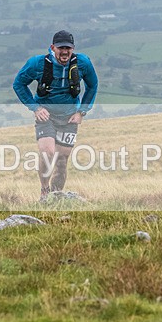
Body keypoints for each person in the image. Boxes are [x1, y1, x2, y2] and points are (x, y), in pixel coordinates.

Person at [13, 30, 98, 201]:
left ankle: (56, 197)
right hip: (46, 116)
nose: (65, 52)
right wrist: (35, 108)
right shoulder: (37, 63)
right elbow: (18, 84)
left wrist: (81, 112)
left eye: (68, 48)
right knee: (48, 153)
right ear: (53, 48)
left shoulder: (83, 63)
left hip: (69, 117)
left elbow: (93, 85)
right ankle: (44, 192)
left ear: (73, 48)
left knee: (61, 161)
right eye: (61, 48)